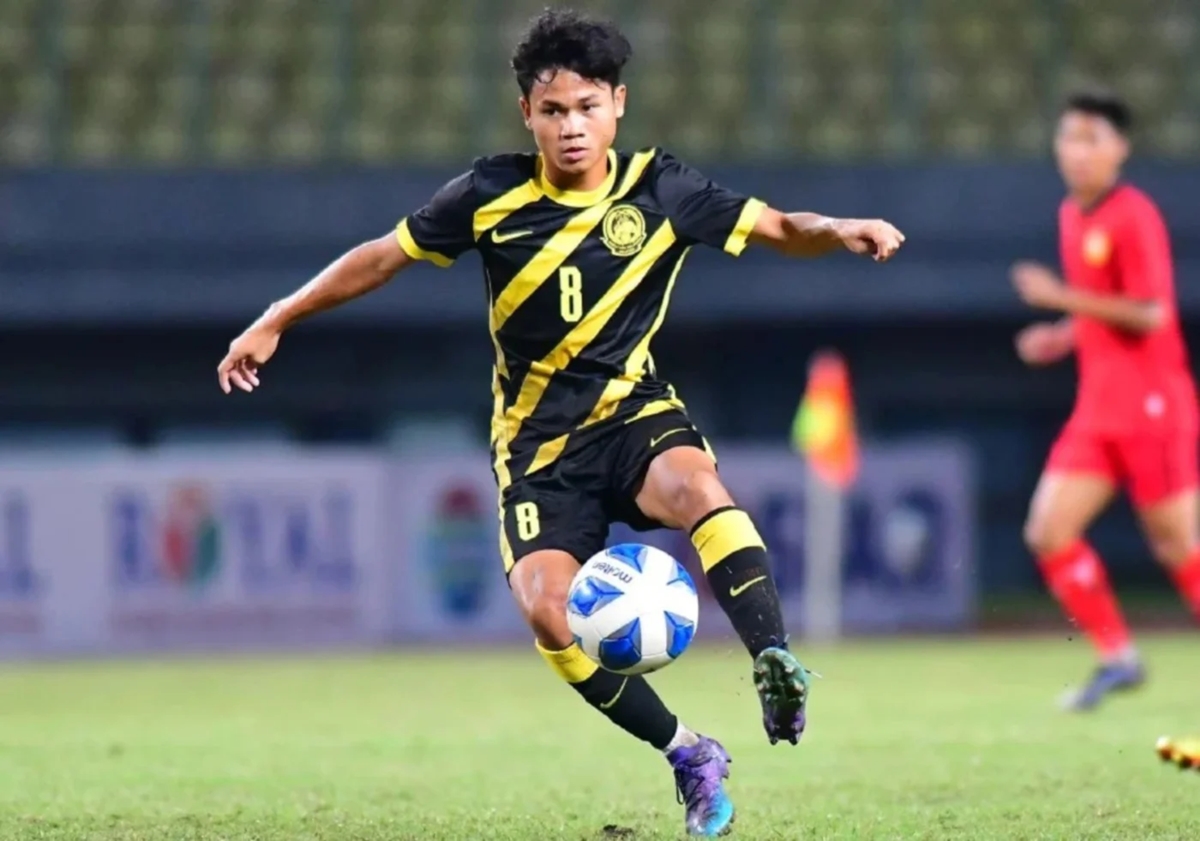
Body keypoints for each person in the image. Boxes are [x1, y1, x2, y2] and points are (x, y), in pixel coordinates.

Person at [217, 9, 904, 836]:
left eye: (586, 107)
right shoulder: (488, 196)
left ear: (618, 105)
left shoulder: (661, 188)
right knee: (548, 609)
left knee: (698, 488)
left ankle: (773, 657)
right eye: (553, 111)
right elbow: (382, 256)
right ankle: (689, 752)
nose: (571, 126)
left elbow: (782, 228)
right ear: (527, 115)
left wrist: (840, 228)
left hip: (632, 413)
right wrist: (279, 316)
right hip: (539, 451)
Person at [1012, 89, 1200, 712]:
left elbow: (1151, 313)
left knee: (1178, 546)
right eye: (1069, 137)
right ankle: (1119, 657)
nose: (1078, 151)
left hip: (1153, 407)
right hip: (1098, 410)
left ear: (1120, 148)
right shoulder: (1073, 214)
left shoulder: (1132, 215)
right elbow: (1105, 305)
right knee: (1048, 530)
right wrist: (1063, 334)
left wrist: (1059, 299)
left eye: (1092, 138)